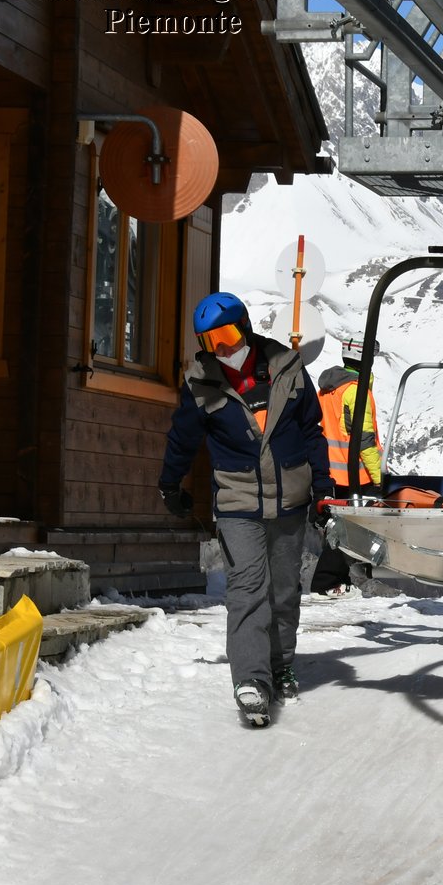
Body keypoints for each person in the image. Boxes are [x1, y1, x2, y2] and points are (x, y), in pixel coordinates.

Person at [158, 292, 331, 728]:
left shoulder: (287, 368)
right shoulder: (201, 382)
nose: (224, 347)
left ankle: (280, 665)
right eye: (212, 340)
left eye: (229, 334)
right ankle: (251, 681)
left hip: (291, 499)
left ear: (247, 327)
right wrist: (169, 483)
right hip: (237, 503)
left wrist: (324, 487)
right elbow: (183, 438)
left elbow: (312, 430)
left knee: (284, 592)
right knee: (248, 589)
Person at [309, 336, 383, 598]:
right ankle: (326, 583)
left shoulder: (328, 389)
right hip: (353, 473)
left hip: (329, 470)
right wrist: (378, 477)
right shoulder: (355, 390)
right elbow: (364, 439)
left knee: (339, 527)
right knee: (348, 530)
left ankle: (337, 582)